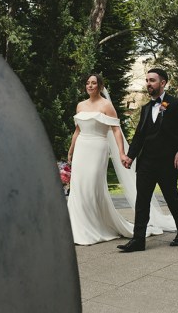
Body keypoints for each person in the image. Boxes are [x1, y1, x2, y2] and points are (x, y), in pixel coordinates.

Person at [118, 68, 178, 252]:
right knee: (142, 200)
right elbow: (139, 136)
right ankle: (138, 240)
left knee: (171, 198)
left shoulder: (175, 104)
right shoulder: (146, 108)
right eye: (147, 80)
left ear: (163, 83)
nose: (148, 83)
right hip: (146, 161)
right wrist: (130, 156)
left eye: (152, 80)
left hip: (168, 162)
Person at [66, 74, 135, 245]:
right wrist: (71, 150)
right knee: (78, 187)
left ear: (100, 86)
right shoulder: (80, 105)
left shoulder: (106, 105)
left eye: (94, 83)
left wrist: (120, 152)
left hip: (98, 148)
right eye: (88, 83)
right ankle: (77, 228)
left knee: (91, 186)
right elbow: (77, 130)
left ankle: (94, 226)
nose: (90, 86)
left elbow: (116, 130)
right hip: (81, 147)